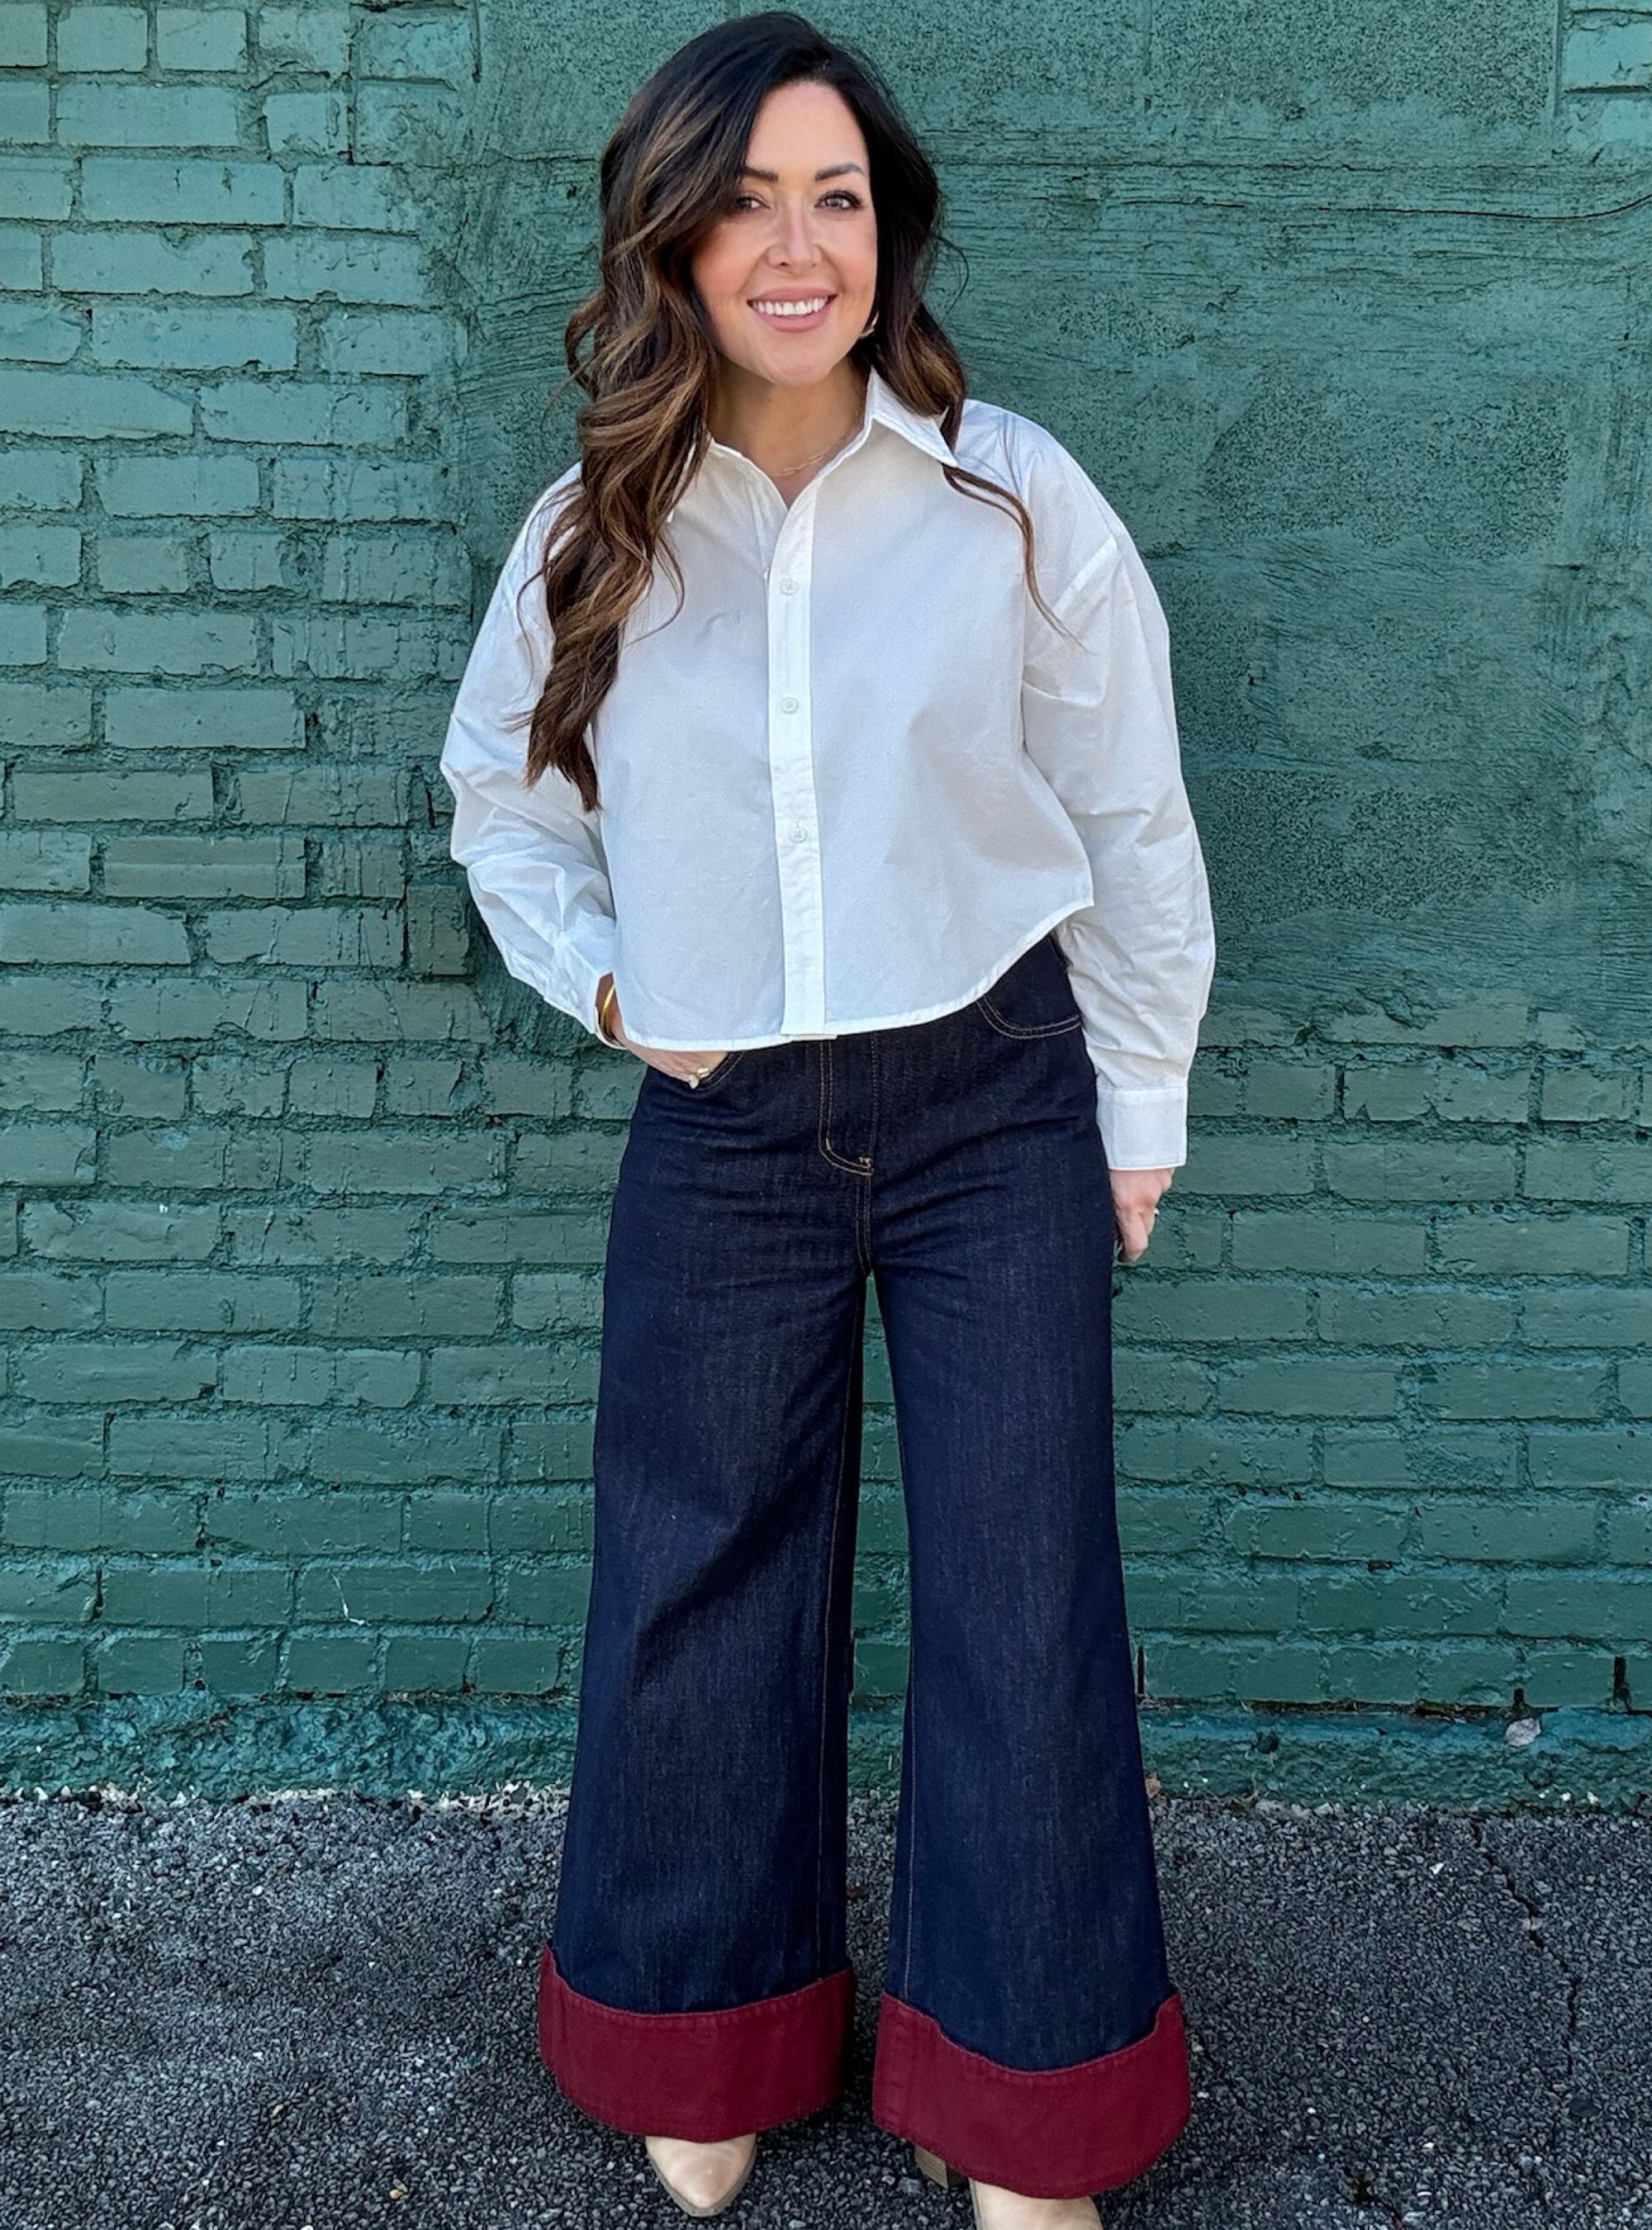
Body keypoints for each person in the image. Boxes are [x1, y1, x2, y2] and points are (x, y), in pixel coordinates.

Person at [438, 12, 1215, 2226]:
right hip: (727, 1125)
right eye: (752, 200)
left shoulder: (1009, 493)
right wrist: (607, 981)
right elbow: (500, 794)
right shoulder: (600, 517)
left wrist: (1134, 1104)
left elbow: (1127, 810)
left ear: (891, 237)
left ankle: (1029, 2099)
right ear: (671, 240)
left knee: (1022, 1589)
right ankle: (709, 2027)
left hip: (994, 1101)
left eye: (840, 198)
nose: (799, 246)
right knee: (698, 1574)